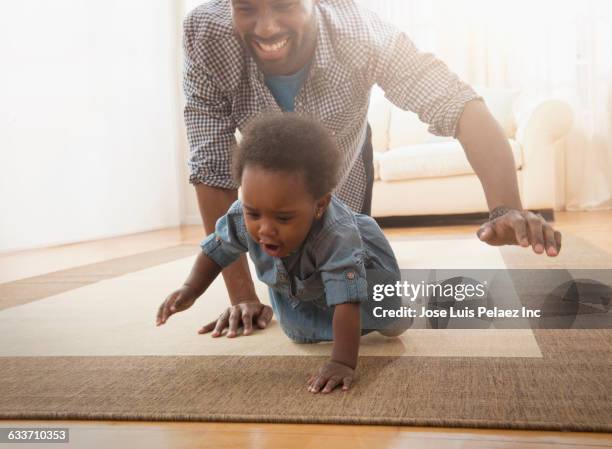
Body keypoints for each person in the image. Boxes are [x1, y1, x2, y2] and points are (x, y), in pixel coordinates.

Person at [183, 0, 562, 337]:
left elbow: (457, 103)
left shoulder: (361, 32)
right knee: (302, 299)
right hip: (275, 192)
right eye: (246, 8)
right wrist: (243, 297)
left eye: (283, 4)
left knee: (353, 272)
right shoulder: (206, 35)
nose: (265, 28)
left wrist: (505, 207)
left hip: (344, 168)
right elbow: (211, 165)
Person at [157, 113, 406, 393]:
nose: (265, 229)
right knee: (300, 334)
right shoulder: (241, 216)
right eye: (254, 213)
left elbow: (347, 302)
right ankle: (318, 307)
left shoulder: (336, 234)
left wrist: (342, 362)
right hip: (300, 285)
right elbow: (217, 250)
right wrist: (191, 289)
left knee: (391, 320)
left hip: (365, 275)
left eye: (283, 218)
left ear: (319, 205)